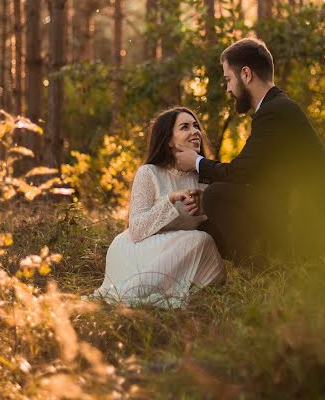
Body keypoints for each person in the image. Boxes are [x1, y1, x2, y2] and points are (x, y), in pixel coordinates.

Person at [176, 38, 325, 264]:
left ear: (246, 74)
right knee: (210, 220)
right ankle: (260, 264)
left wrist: (196, 161)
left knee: (217, 195)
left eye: (228, 79)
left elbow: (239, 173)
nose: (228, 88)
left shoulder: (274, 111)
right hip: (289, 211)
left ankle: (263, 270)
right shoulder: (276, 107)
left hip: (304, 226)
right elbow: (253, 173)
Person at [90, 107, 226, 308]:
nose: (195, 131)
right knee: (200, 240)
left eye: (196, 126)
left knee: (213, 262)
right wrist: (169, 199)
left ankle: (171, 297)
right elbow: (136, 230)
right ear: (169, 140)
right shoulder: (149, 173)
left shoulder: (203, 176)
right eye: (185, 127)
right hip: (137, 250)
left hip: (185, 249)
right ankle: (128, 294)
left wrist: (206, 208)